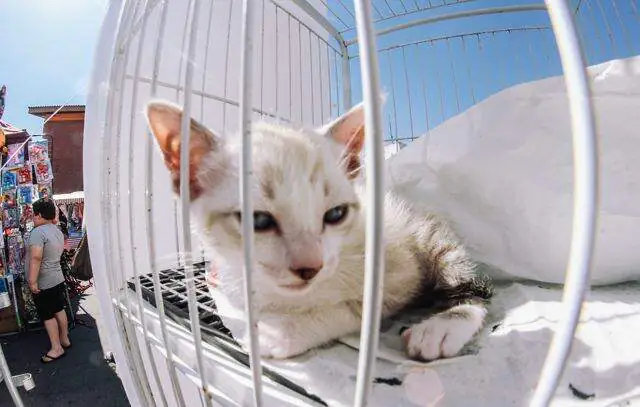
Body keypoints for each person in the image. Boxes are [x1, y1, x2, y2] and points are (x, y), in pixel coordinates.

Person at [27, 198, 71, 363]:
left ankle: (56, 348)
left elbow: (36, 257)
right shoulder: (56, 230)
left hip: (44, 281)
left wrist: (32, 281)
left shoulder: (38, 232)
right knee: (59, 309)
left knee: (47, 315)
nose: (32, 218)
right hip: (57, 278)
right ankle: (64, 339)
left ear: (38, 215)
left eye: (33, 214)